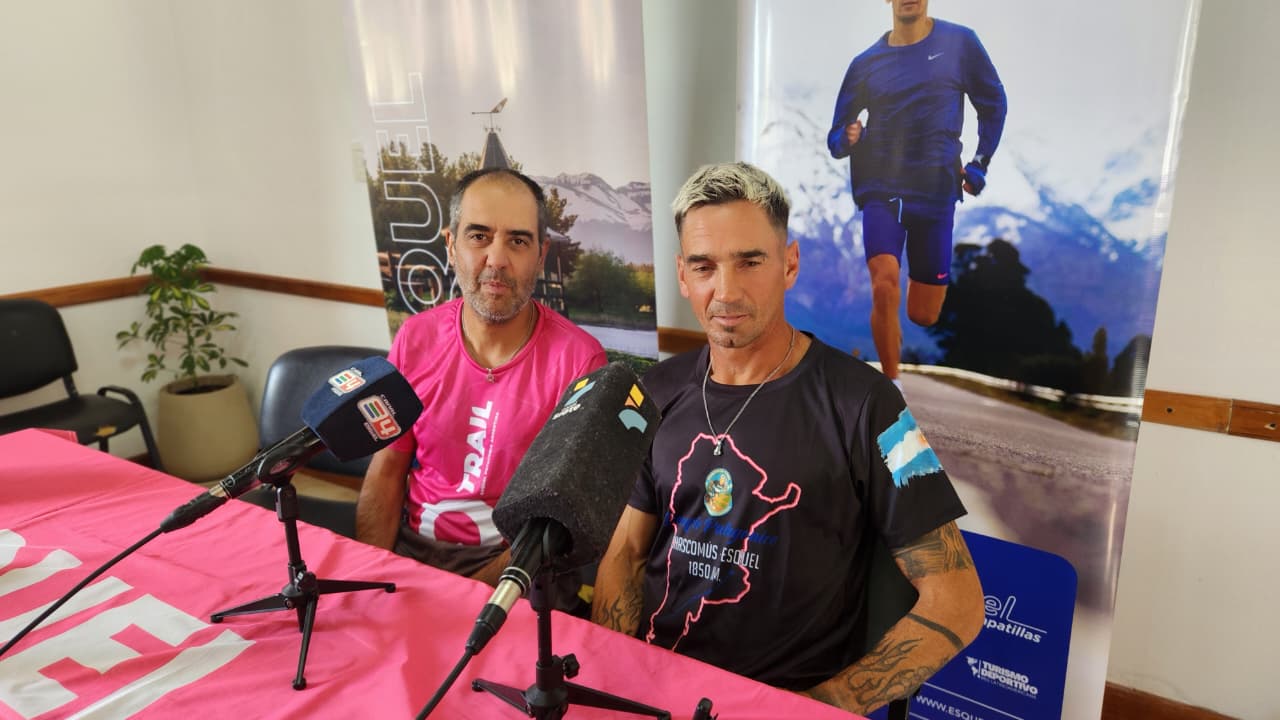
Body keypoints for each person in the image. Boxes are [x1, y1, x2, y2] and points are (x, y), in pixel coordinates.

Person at [591, 162, 983, 716]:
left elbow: (957, 601)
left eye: (750, 262)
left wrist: (825, 705)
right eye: (704, 266)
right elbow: (627, 554)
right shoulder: (655, 392)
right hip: (655, 691)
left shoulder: (867, 404)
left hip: (779, 703)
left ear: (789, 264)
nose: (725, 291)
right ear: (682, 275)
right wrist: (615, 681)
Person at [356, 168, 607, 590]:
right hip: (415, 554)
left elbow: (558, 521)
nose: (497, 259)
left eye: (518, 241)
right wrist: (371, 579)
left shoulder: (579, 360)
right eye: (478, 236)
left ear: (541, 254)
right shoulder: (415, 338)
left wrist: (466, 598)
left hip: (520, 572)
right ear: (451, 245)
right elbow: (386, 471)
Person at [828, 0, 1006, 390]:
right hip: (882, 188)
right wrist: (848, 137)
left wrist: (979, 163)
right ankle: (892, 388)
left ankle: (909, 303)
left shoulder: (961, 43)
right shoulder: (865, 64)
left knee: (924, 314)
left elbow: (994, 104)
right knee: (884, 283)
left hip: (936, 192)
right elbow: (835, 137)